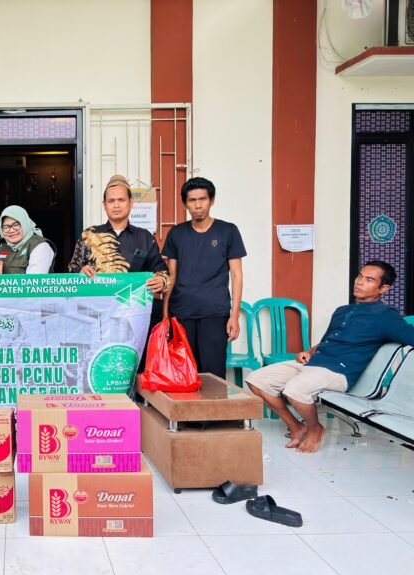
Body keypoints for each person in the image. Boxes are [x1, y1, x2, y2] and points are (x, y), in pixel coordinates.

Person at [246, 261, 414, 453]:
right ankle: (296, 426)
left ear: (383, 288)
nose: (359, 282)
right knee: (255, 380)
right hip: (314, 363)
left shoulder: (386, 316)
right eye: (359, 276)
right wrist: (308, 352)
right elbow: (327, 341)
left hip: (338, 372)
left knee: (294, 389)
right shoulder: (342, 311)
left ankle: (315, 429)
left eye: (369, 280)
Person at [162, 177, 246, 379]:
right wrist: (165, 316)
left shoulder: (228, 231)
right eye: (192, 200)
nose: (198, 205)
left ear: (212, 200)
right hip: (182, 313)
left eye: (202, 199)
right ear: (185, 203)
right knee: (183, 375)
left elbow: (237, 275)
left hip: (215, 314)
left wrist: (234, 316)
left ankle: (216, 412)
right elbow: (170, 277)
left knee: (213, 376)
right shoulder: (176, 233)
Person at [68, 174, 169, 298]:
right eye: (111, 201)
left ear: (131, 202)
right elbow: (72, 268)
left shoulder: (145, 237)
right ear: (104, 205)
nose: (116, 205)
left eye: (121, 200)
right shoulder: (89, 235)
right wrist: (80, 271)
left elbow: (162, 271)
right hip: (96, 308)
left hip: (133, 308)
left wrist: (161, 280)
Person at [0, 205, 55, 274]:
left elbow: (33, 281)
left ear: (25, 223)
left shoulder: (40, 246)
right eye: (6, 227)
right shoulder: (4, 248)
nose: (11, 230)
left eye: (16, 224)